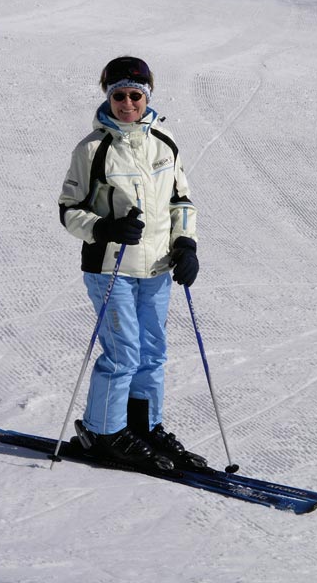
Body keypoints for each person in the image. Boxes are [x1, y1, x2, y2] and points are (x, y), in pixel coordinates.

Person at [59, 56, 204, 471]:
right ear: (109, 96)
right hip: (111, 268)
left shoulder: (165, 142)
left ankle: (142, 426)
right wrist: (104, 228)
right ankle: (103, 433)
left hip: (157, 268)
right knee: (123, 353)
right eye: (119, 95)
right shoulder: (92, 149)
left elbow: (181, 200)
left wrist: (186, 245)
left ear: (147, 97)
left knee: (153, 352)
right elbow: (69, 210)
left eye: (135, 95)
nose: (127, 103)